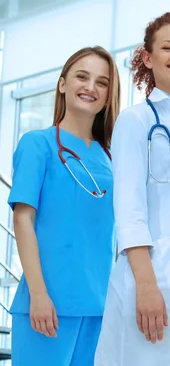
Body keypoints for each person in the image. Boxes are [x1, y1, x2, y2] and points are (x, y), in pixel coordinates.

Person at [94, 12, 170, 365]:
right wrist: (147, 286)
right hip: (151, 275)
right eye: (168, 47)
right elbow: (129, 209)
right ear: (148, 58)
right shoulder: (136, 121)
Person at [8, 46, 120, 365]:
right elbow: (23, 220)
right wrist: (39, 295)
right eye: (81, 77)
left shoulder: (111, 156)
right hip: (48, 305)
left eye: (102, 82)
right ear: (62, 84)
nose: (90, 87)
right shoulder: (38, 144)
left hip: (100, 306)